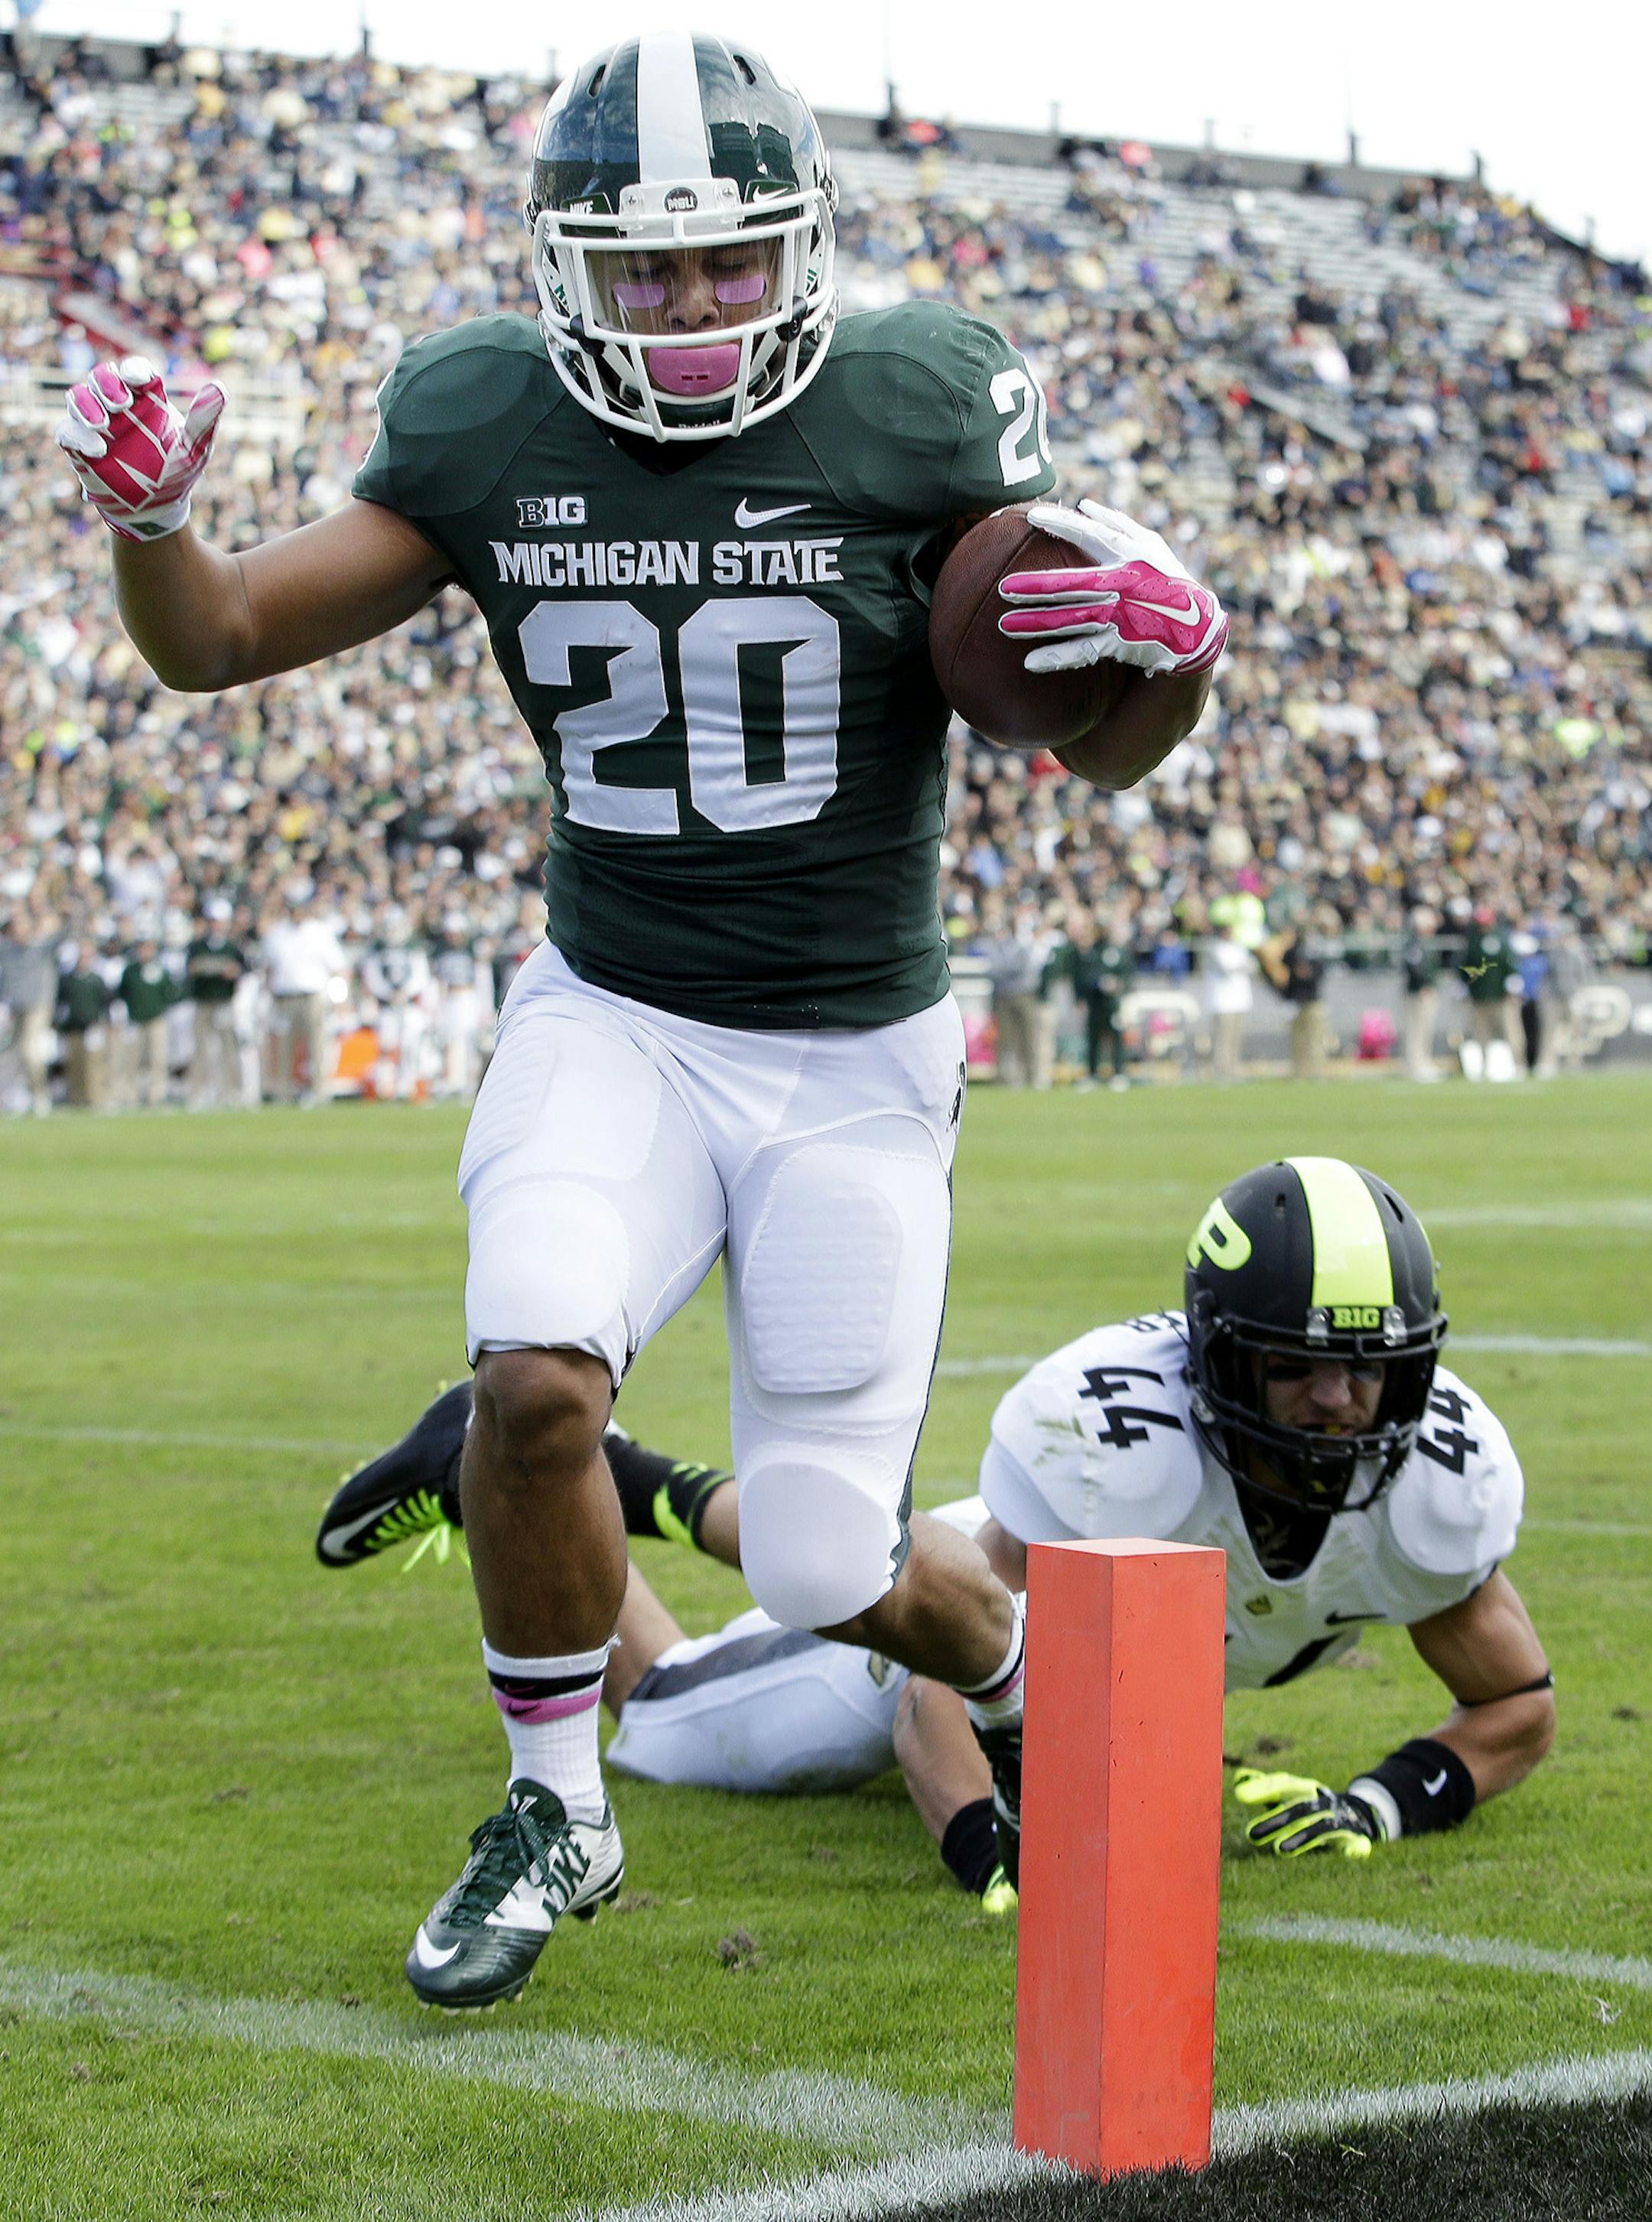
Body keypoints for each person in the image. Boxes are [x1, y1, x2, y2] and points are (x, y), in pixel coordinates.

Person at [57, 30, 1225, 2012]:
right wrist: (155, 527)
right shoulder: (482, 415)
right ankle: (555, 1808)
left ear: (806, 251)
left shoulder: (923, 399)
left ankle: (1022, 1674)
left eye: (728, 264)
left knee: (829, 1570)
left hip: (853, 1054)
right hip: (614, 1008)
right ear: (562, 270)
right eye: (645, 271)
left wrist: (1170, 667)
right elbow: (225, 638)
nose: (689, 313)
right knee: (531, 1381)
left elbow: (1098, 748)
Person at [323, 1156, 1553, 1895]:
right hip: (965, 1612)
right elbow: (942, 1685)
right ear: (1226, 1360)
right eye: (1297, 1366)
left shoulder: (1435, 1484)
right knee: (659, 1720)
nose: (1340, 1402)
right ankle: (516, 1456)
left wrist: (1384, 1802)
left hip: (1016, 1640)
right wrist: (984, 1844)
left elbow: (1516, 1704)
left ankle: (621, 1467)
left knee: (824, 1545)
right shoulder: (1115, 1447)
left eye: (1369, 1370)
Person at [184, 899, 247, 1109]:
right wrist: (216, 970)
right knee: (201, 1049)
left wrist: (219, 970)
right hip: (203, 1002)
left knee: (229, 1048)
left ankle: (233, 1092)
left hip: (224, 1002)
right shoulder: (197, 946)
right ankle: (199, 1092)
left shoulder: (232, 947)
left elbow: (239, 971)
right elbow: (193, 968)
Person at [1260, 919, 1328, 1081]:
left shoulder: (1313, 952)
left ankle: (1316, 1071)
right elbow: (1279, 976)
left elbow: (1318, 974)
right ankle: (1299, 1071)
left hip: (1312, 1001)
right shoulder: (1289, 953)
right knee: (1298, 1040)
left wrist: (1306, 975)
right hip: (1296, 1002)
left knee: (1315, 1039)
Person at [1204, 918, 1254, 1082]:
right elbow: (1225, 969)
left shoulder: (1239, 948)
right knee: (1222, 1039)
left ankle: (1233, 1068)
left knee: (1235, 1038)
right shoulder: (1215, 948)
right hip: (1222, 1002)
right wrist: (1241, 966)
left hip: (1240, 1001)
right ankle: (1221, 1070)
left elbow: (1252, 966)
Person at [1400, 905, 1442, 1082]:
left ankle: (1424, 1062)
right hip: (1418, 994)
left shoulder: (1423, 944)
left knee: (1425, 1030)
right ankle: (1415, 1066)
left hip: (1424, 992)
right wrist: (1423, 985)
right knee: (1416, 1031)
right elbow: (1415, 968)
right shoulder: (1414, 945)